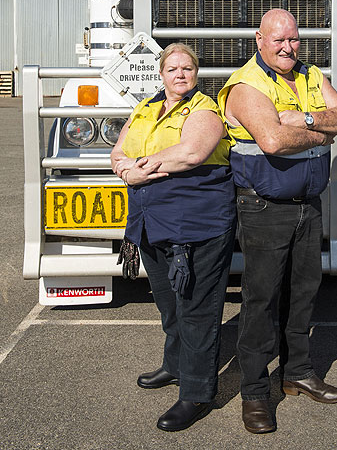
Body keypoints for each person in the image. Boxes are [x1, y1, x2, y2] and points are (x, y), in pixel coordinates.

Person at [218, 9, 337, 434]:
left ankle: (298, 371)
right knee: (260, 302)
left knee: (303, 294)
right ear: (259, 39)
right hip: (264, 208)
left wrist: (309, 119)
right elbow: (274, 140)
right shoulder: (246, 86)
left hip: (307, 205)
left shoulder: (310, 74)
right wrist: (322, 131)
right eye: (278, 39)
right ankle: (256, 393)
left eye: (294, 39)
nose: (287, 47)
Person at [111, 43, 235, 433]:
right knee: (169, 303)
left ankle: (198, 392)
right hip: (150, 223)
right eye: (172, 69)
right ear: (161, 74)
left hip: (196, 226)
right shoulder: (145, 109)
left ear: (196, 74)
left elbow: (193, 153)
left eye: (187, 68)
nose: (180, 74)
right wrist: (124, 169)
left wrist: (139, 168)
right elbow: (117, 151)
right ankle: (175, 365)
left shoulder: (205, 109)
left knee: (197, 309)